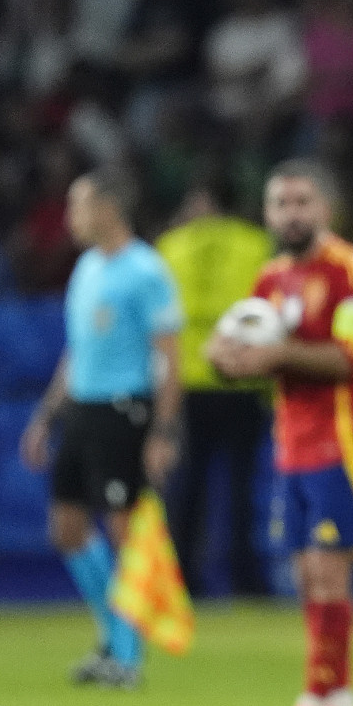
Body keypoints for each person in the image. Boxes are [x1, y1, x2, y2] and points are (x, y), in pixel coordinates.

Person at [207, 160, 353, 706]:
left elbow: (350, 357)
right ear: (267, 213)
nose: (291, 213)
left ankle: (316, 698)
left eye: (302, 201)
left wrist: (273, 356)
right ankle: (342, 703)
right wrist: (224, 359)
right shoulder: (270, 278)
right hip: (293, 446)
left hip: (344, 444)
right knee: (308, 574)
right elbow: (245, 348)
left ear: (325, 208)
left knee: (329, 570)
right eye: (280, 203)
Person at [19, 166, 184, 688]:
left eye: (79, 204)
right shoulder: (87, 268)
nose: (71, 216)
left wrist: (163, 431)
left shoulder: (146, 270)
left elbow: (169, 358)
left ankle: (127, 655)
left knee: (122, 528)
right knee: (67, 528)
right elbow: (77, 351)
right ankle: (112, 638)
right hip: (83, 410)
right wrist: (46, 417)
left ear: (109, 208)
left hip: (123, 410)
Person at [157, 176, 273, 596]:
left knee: (189, 489)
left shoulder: (171, 247)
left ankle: (184, 578)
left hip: (190, 380)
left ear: (198, 199)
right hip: (244, 379)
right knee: (243, 489)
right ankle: (246, 579)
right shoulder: (256, 244)